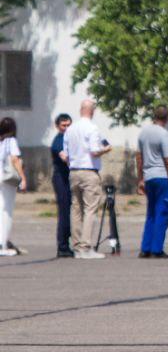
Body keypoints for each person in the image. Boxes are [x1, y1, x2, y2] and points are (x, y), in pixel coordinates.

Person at [64, 99, 111, 259]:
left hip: (73, 171)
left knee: (75, 209)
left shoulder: (70, 129)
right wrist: (106, 149)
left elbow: (66, 154)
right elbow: (95, 151)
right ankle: (86, 247)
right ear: (92, 111)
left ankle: (77, 246)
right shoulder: (92, 128)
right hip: (89, 171)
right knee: (90, 209)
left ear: (80, 110)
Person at [135, 106, 168, 258]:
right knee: (162, 212)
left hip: (149, 177)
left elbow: (139, 157)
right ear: (167, 118)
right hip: (162, 177)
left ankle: (145, 248)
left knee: (151, 213)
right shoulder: (164, 134)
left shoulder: (143, 133)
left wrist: (140, 179)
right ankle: (157, 249)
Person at [1, 117, 28, 257]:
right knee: (6, 212)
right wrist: (22, 178)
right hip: (7, 179)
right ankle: (2, 244)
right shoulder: (11, 141)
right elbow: (14, 159)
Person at [50, 113, 73, 257]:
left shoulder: (69, 138)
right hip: (61, 178)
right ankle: (62, 246)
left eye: (69, 125)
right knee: (64, 211)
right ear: (58, 126)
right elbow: (64, 157)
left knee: (69, 211)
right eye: (64, 125)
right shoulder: (58, 140)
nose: (66, 128)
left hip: (68, 177)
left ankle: (67, 243)